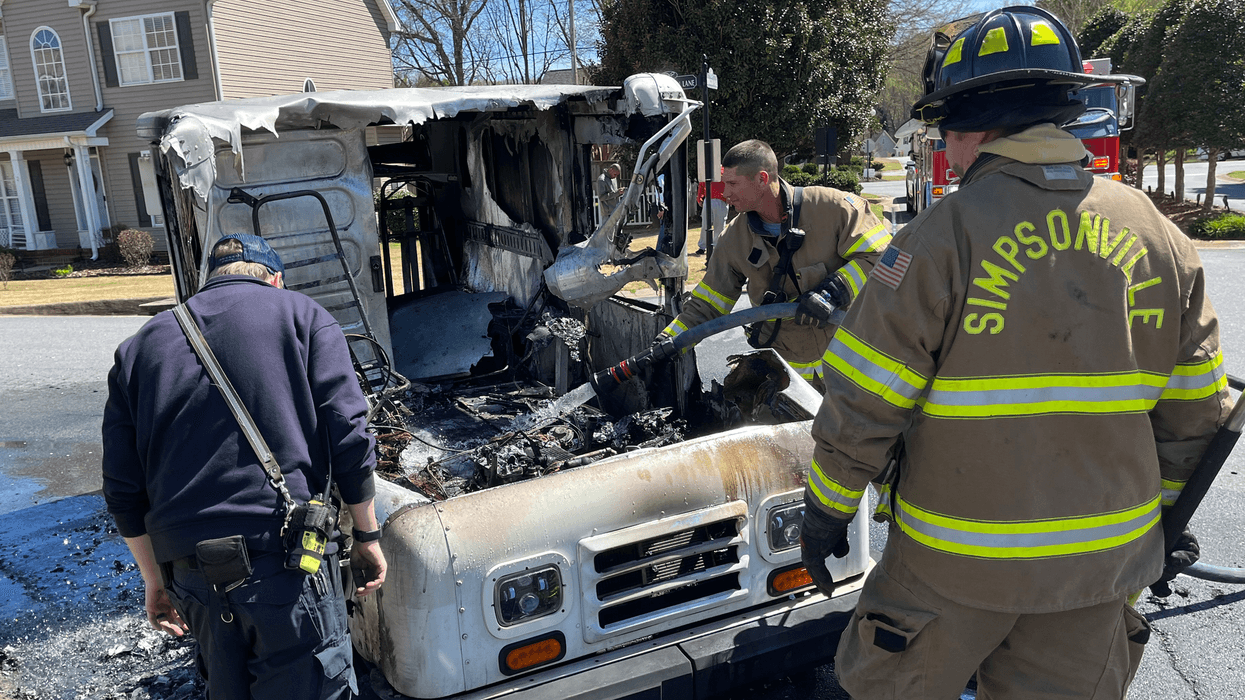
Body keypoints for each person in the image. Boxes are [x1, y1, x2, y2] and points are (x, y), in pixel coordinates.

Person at [799, 8, 1229, 699]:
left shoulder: (940, 236)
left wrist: (826, 511)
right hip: (1096, 571)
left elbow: (862, 397)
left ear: (970, 127)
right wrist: (1160, 524)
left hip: (951, 567)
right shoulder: (1157, 236)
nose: (950, 152)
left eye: (947, 133)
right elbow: (1197, 413)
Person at [102, 233, 388, 699]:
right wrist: (367, 534)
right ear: (274, 280)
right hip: (285, 565)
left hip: (191, 576)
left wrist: (155, 581)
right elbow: (349, 435)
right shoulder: (303, 314)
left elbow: (120, 487)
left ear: (209, 281)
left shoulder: (138, 348)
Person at [656, 139, 889, 389]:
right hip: (790, 379)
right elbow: (708, 303)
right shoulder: (734, 240)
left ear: (761, 179)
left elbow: (883, 257)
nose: (725, 193)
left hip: (853, 369)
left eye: (733, 183)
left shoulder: (833, 208)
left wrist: (832, 292)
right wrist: (667, 341)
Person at [696, 179, 729, 255]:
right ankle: (702, 246)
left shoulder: (723, 171)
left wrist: (729, 196)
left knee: (719, 225)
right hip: (708, 199)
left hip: (721, 199)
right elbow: (701, 184)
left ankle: (717, 246)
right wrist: (700, 197)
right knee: (705, 224)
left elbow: (729, 184)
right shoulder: (706, 170)